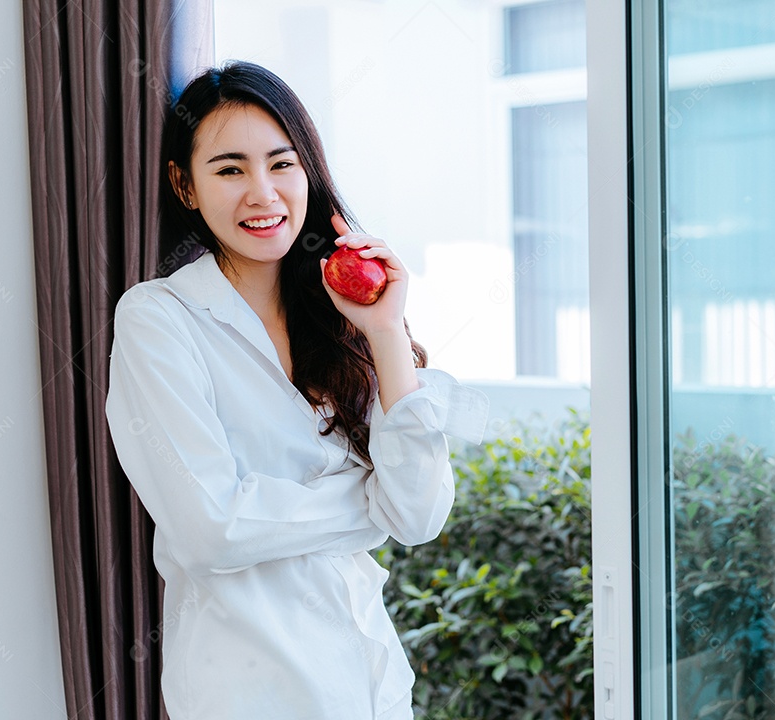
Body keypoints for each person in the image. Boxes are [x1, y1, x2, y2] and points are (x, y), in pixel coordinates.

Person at [105, 61, 488, 720]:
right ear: (185, 186)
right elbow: (211, 530)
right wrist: (369, 503)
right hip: (246, 694)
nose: (263, 193)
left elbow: (419, 516)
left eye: (281, 164)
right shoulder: (158, 319)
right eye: (230, 170)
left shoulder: (342, 323)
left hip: (368, 686)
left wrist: (387, 332)